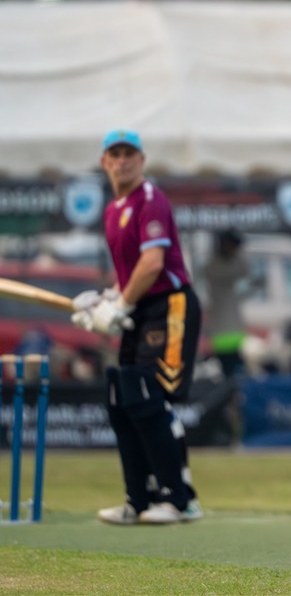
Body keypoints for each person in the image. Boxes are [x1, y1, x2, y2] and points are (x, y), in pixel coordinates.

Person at [71, 129, 202, 525]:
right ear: (104, 162)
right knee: (123, 397)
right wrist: (107, 299)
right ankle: (138, 498)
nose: (123, 161)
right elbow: (129, 272)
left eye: (130, 154)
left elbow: (152, 265)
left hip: (170, 305)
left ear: (142, 160)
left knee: (149, 395)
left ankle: (177, 499)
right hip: (140, 307)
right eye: (115, 154)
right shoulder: (113, 210)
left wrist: (121, 303)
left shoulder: (150, 200)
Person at [202, 230, 249, 377]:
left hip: (231, 330)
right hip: (223, 332)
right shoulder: (216, 267)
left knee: (235, 371)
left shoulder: (219, 266)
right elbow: (242, 270)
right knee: (230, 372)